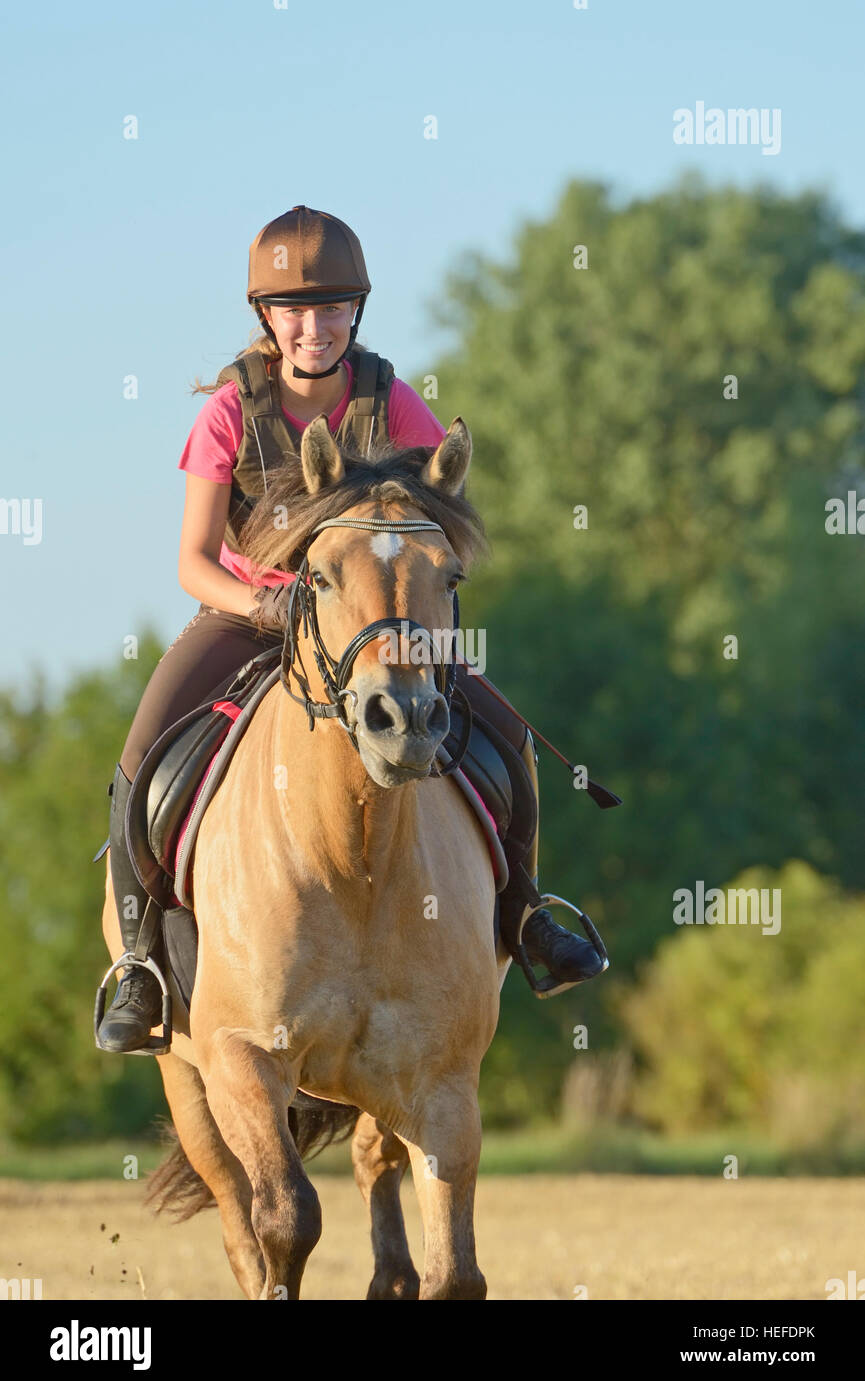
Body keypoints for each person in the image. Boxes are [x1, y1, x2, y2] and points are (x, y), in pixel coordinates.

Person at [96, 206, 605, 1054]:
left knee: (507, 737)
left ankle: (524, 914)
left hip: (369, 629)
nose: (313, 327)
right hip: (249, 620)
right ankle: (142, 963)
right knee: (141, 759)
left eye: (331, 308)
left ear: (355, 313)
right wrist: (266, 605)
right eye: (294, 310)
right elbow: (191, 561)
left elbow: (433, 511)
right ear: (266, 316)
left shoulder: (391, 399)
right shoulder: (227, 414)